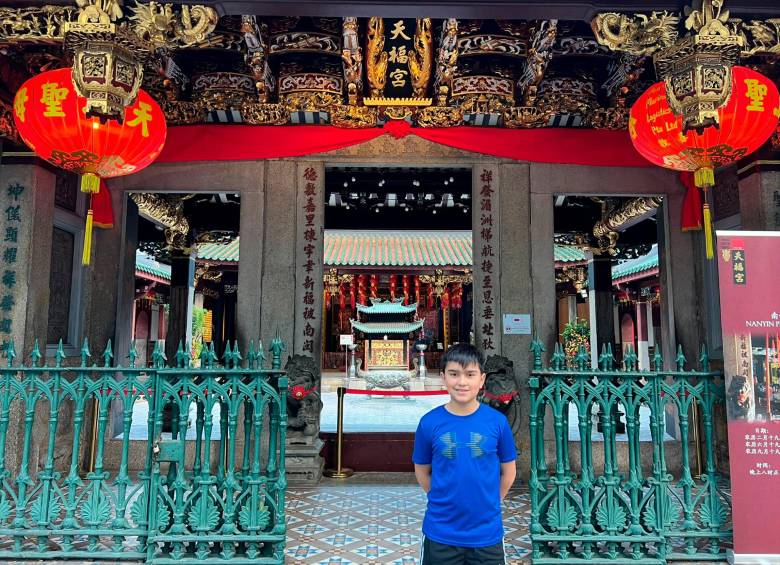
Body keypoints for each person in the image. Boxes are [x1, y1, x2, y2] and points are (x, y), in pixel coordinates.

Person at [413, 343, 517, 564]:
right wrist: (442, 497)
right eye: (454, 374)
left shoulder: (497, 422)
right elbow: (422, 472)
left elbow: (509, 472)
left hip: (486, 535)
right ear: (443, 378)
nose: (462, 382)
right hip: (441, 533)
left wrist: (490, 501)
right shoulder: (429, 423)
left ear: (481, 379)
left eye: (470, 374)